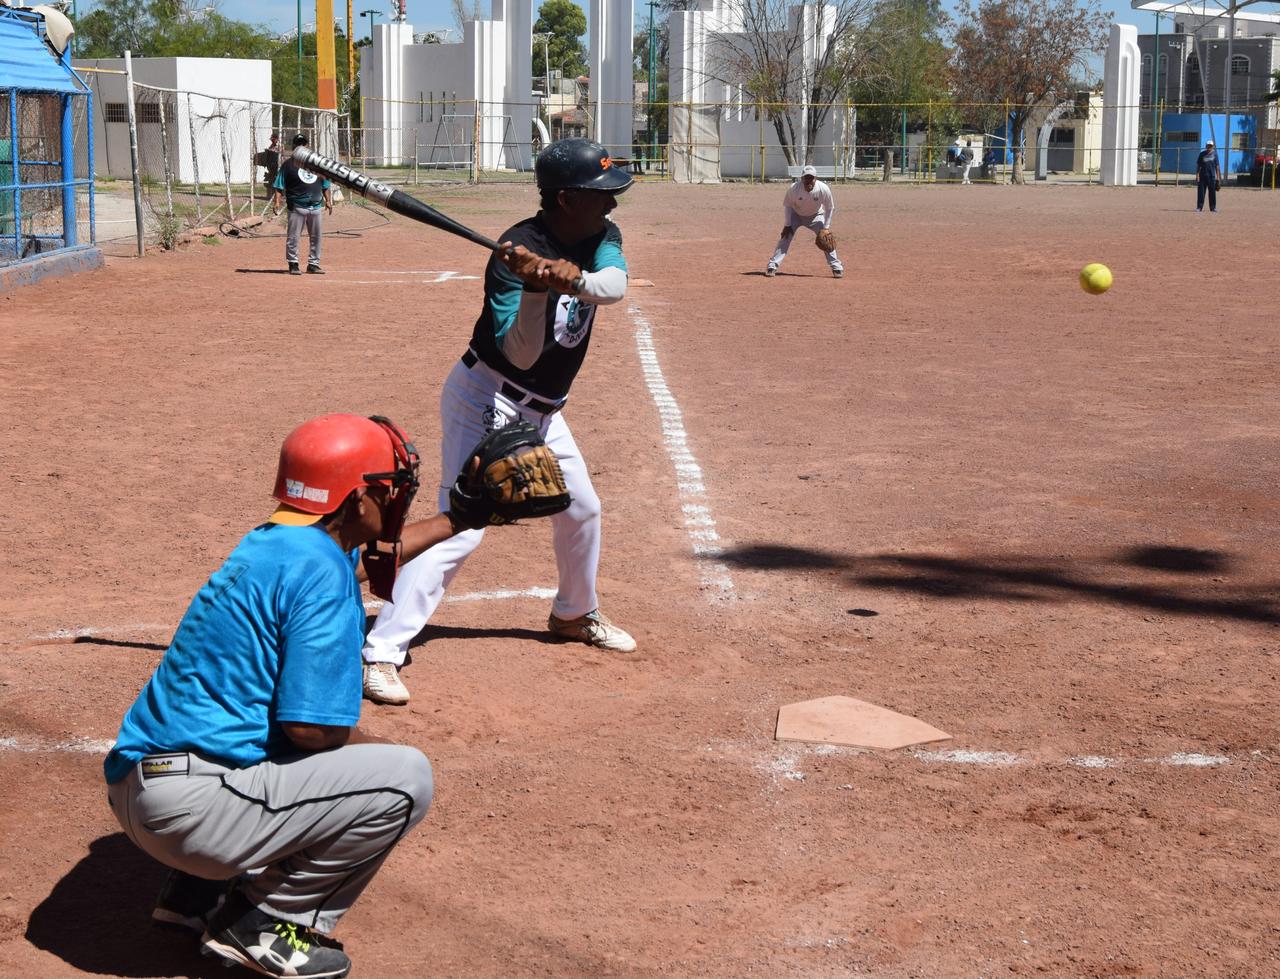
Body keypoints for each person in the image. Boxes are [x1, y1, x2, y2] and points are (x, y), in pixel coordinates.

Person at [104, 413, 469, 978]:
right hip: (193, 817)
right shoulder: (321, 575)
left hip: (139, 793)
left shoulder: (278, 543)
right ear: (358, 498)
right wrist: (362, 750)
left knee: (259, 724)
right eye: (388, 488)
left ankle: (190, 899)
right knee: (401, 779)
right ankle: (266, 921)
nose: (396, 496)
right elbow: (314, 732)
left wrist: (461, 519)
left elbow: (371, 555)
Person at [360, 137, 637, 706]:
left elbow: (613, 287)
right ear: (565, 199)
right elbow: (521, 354)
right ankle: (380, 652)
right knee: (463, 522)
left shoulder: (601, 235)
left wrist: (573, 281)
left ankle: (573, 613)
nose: (611, 205)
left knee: (582, 508)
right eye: (599, 195)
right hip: (487, 394)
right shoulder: (513, 255)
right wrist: (536, 289)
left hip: (543, 411)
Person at [764, 164, 843, 279]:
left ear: (816, 178)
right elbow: (788, 206)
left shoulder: (823, 189)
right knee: (785, 237)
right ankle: (772, 266)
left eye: (811, 178)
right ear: (802, 179)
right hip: (796, 214)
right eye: (806, 178)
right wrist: (787, 225)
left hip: (816, 216)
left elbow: (830, 207)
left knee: (826, 239)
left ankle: (837, 267)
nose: (809, 181)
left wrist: (826, 227)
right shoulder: (794, 188)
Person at [272, 133, 332, 275]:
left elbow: (325, 184)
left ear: (307, 146)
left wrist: (328, 201)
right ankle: (293, 264)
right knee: (293, 237)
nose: (301, 146)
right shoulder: (288, 165)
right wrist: (277, 202)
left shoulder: (316, 164)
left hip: (316, 206)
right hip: (297, 206)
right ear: (294, 147)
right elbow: (279, 185)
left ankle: (313, 264)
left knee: (316, 237)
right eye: (298, 144)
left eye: (303, 144)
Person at [1196, 138, 1222, 212]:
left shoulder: (1215, 154)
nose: (1209, 147)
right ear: (1206, 146)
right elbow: (1198, 165)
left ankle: (1213, 208)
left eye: (1211, 146)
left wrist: (1218, 177)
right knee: (1201, 193)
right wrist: (1197, 175)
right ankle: (1199, 207)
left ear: (1213, 146)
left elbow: (1217, 166)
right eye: (1208, 145)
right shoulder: (1202, 154)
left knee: (1212, 193)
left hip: (1212, 177)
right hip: (1202, 176)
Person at [255, 132, 281, 199]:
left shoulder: (280, 146)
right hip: (271, 166)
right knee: (270, 179)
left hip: (277, 166)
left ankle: (278, 196)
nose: (272, 141)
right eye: (272, 139)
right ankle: (270, 195)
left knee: (277, 180)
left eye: (273, 139)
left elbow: (280, 155)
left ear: (277, 139)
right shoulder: (271, 146)